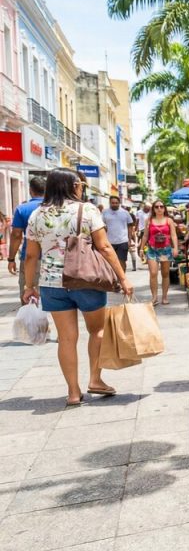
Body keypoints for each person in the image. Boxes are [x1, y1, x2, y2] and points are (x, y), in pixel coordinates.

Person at [22, 168, 134, 406]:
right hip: (86, 280)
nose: (82, 188)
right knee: (97, 331)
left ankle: (73, 392)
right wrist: (122, 277)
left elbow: (31, 256)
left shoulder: (36, 215)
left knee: (66, 338)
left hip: (51, 284)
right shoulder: (87, 210)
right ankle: (95, 379)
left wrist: (29, 286)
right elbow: (104, 247)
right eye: (80, 184)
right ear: (73, 186)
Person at [8, 176, 45, 299]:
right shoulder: (55, 207)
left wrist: (11, 259)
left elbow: (16, 235)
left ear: (30, 190)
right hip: (53, 259)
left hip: (29, 258)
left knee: (28, 297)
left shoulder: (22, 209)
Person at [142, 201, 179, 306]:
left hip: (165, 250)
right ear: (153, 208)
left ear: (164, 208)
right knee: (153, 273)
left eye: (161, 206)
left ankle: (165, 296)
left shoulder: (169, 220)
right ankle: (154, 297)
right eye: (156, 207)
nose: (159, 208)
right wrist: (141, 248)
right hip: (152, 249)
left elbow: (173, 235)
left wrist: (175, 248)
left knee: (165, 273)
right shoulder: (149, 221)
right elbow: (145, 236)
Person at [102, 196, 136, 271]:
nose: (114, 204)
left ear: (119, 203)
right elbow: (101, 226)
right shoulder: (104, 212)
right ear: (110, 203)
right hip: (109, 242)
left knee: (121, 262)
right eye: (113, 203)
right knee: (110, 263)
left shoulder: (125, 213)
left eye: (116, 203)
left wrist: (129, 239)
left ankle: (122, 279)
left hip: (123, 241)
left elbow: (130, 226)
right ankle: (114, 280)